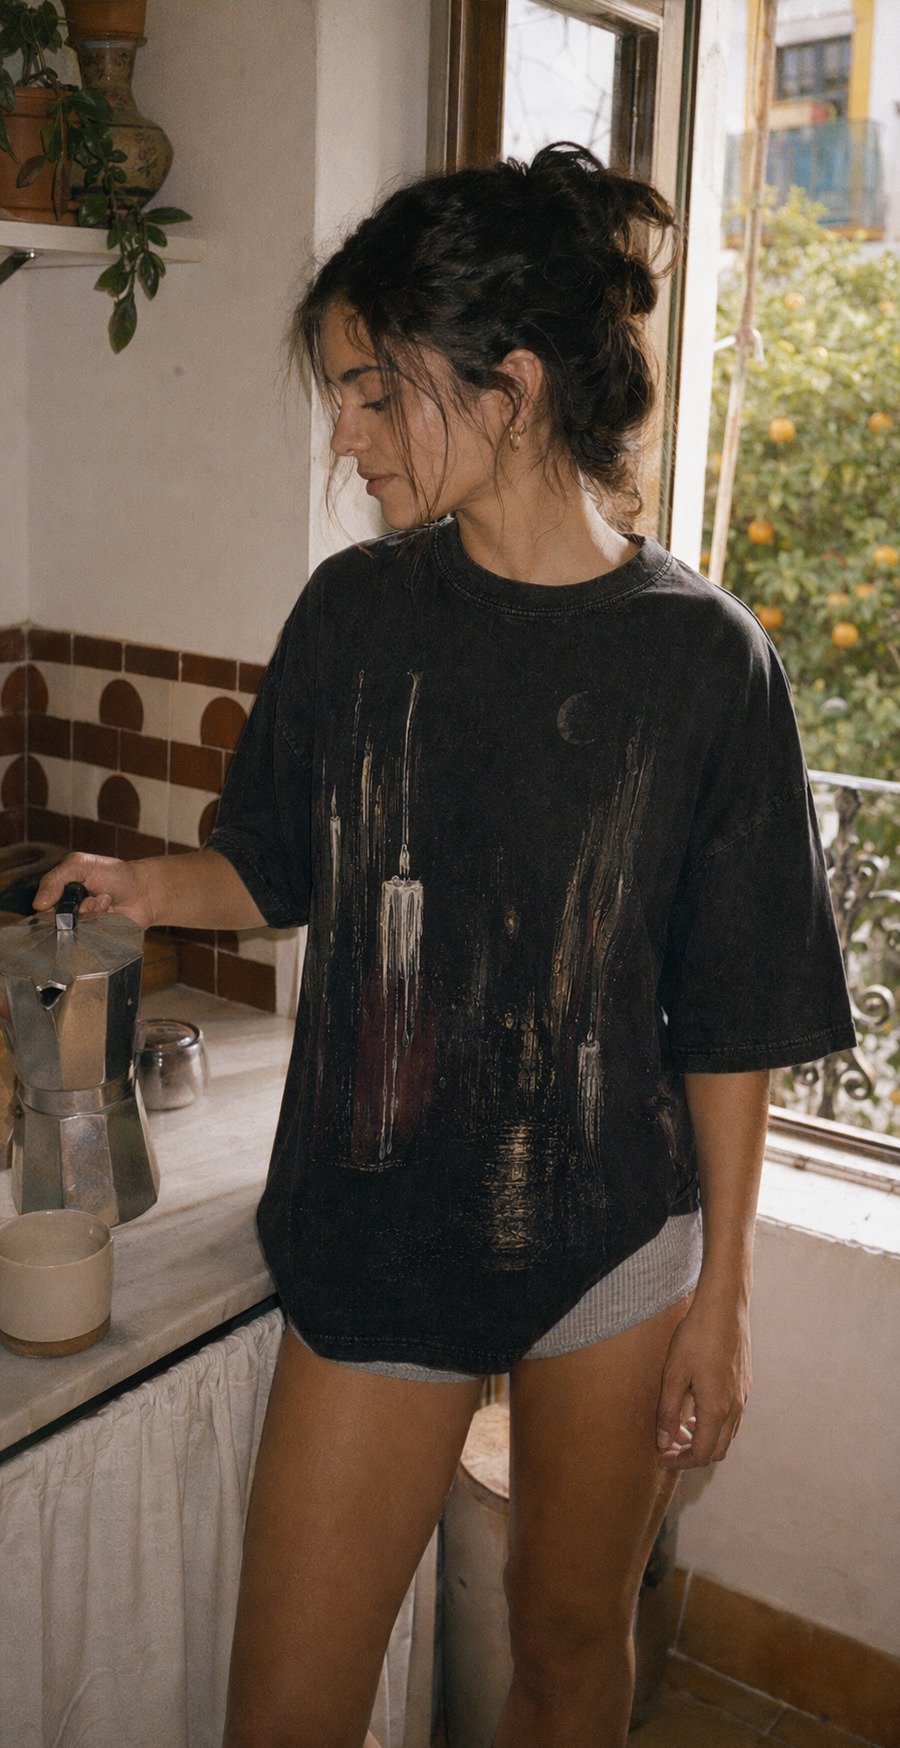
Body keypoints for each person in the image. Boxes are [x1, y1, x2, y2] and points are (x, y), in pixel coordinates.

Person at [37, 144, 855, 1748]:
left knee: (567, 1660)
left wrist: (726, 1296)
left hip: (613, 1240)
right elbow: (274, 868)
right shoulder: (353, 617)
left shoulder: (707, 664)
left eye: (372, 392)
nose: (343, 438)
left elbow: (734, 1015)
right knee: (287, 1706)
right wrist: (138, 884)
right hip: (378, 1221)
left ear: (513, 386)